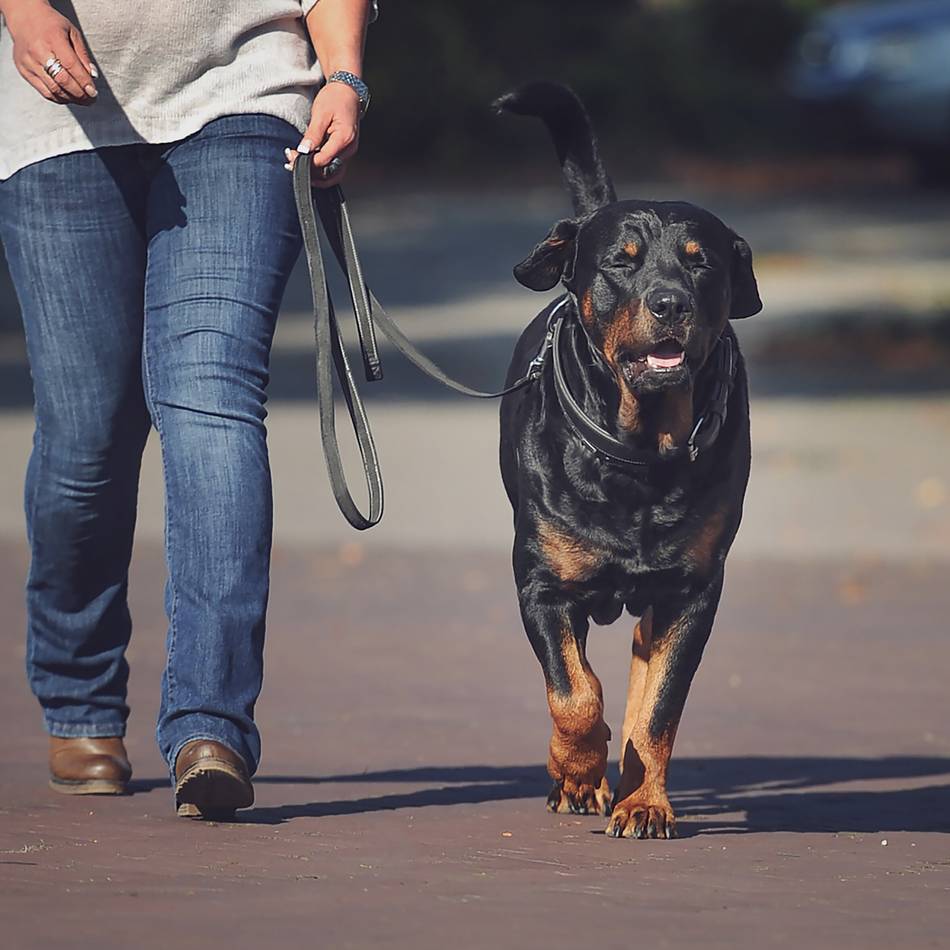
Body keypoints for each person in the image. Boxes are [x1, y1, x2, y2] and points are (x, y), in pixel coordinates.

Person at [0, 0, 376, 819]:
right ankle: (81, 697)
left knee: (209, 393)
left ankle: (212, 724)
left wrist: (343, 76)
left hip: (245, 94)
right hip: (61, 114)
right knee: (87, 437)